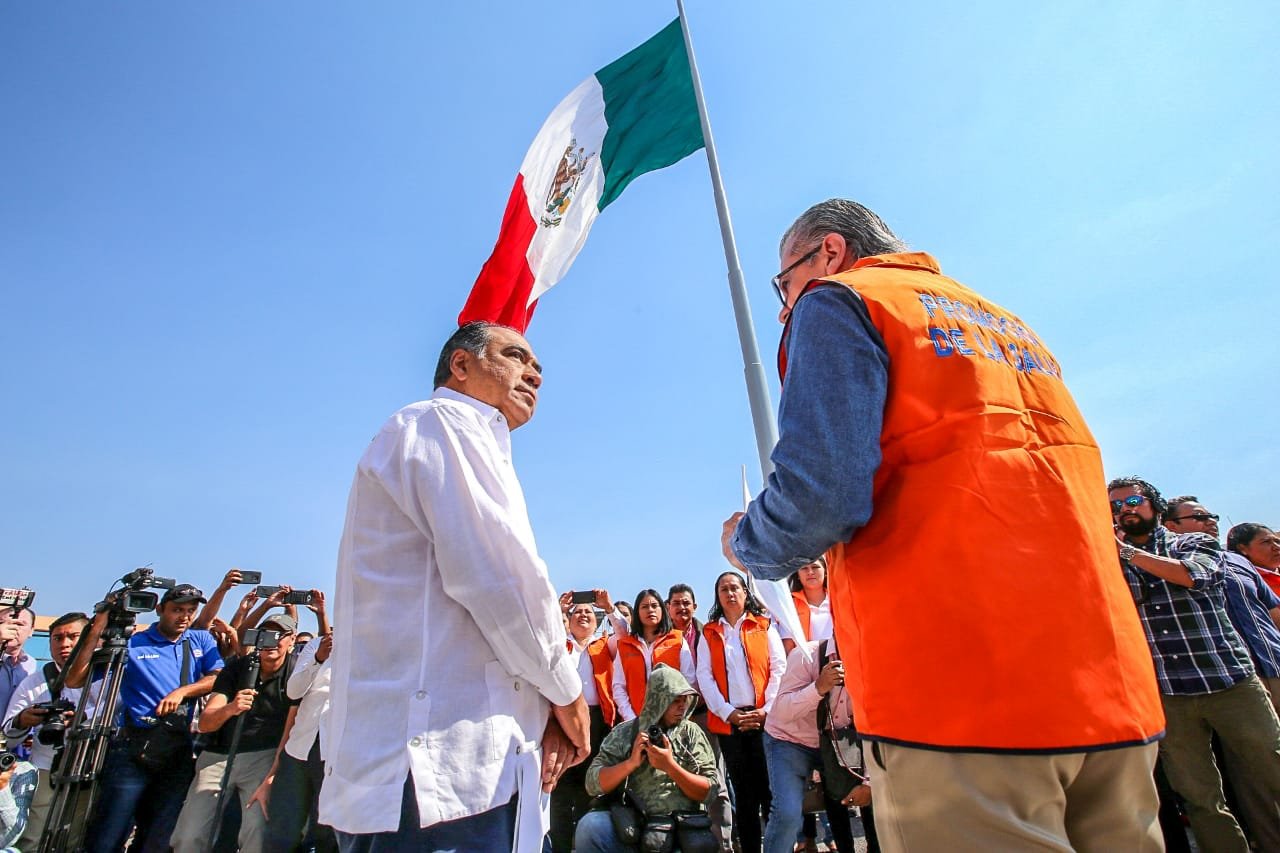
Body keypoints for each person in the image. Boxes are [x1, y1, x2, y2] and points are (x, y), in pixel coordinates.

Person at [722, 199, 1165, 851]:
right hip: (1112, 693)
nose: (784, 307)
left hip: (961, 694)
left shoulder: (840, 300)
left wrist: (745, 543)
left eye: (782, 285)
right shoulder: (1008, 324)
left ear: (830, 253)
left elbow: (818, 497)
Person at [323, 321, 589, 852]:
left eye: (537, 364)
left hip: (457, 772)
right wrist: (567, 695)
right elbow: (499, 580)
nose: (534, 372)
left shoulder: (457, 435)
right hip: (438, 771)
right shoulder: (444, 420)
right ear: (460, 366)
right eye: (514, 355)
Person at [1109, 476, 1280, 852]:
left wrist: (1127, 554)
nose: (1126, 510)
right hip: (1170, 694)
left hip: (1230, 683)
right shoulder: (1110, 557)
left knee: (1273, 768)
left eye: (1133, 500)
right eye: (1117, 506)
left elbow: (1195, 576)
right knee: (1201, 799)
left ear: (1155, 505)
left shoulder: (1190, 542)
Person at [64, 583, 223, 853]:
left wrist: (182, 691)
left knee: (159, 838)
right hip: (132, 749)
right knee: (108, 835)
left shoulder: (200, 640)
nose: (184, 616)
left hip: (177, 749)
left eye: (190, 610)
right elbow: (75, 678)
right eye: (177, 610)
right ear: (160, 610)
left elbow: (217, 677)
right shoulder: (133, 642)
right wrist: (99, 624)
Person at [170, 612, 299, 853]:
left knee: (258, 831)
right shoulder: (238, 669)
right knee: (191, 834)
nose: (270, 641)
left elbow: (292, 729)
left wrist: (274, 773)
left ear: (291, 640)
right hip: (219, 755)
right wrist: (231, 708)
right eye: (265, 634)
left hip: (265, 756)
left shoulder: (296, 672)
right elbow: (207, 722)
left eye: (278, 635)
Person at [575, 665, 719, 852]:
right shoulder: (627, 732)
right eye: (675, 701)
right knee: (591, 826)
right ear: (659, 700)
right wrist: (630, 763)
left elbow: (710, 791)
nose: (682, 707)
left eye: (685, 700)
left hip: (679, 830)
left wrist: (670, 767)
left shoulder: (691, 734)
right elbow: (592, 783)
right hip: (632, 826)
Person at [696, 571, 784, 853]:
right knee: (744, 797)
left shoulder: (764, 625)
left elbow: (779, 669)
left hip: (765, 721)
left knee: (769, 792)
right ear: (717, 596)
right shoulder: (709, 632)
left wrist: (766, 710)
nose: (730, 593)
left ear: (746, 593)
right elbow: (704, 676)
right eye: (724, 589)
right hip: (730, 723)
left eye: (735, 587)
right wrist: (728, 712)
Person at [764, 638, 875, 853]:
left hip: (837, 745)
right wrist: (818, 688)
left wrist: (869, 781)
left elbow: (876, 724)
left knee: (876, 800)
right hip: (790, 741)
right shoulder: (805, 656)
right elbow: (782, 711)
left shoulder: (872, 660)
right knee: (787, 813)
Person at [3, 612, 97, 851]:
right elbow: (8, 734)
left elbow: (118, 714)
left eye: (73, 636)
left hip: (91, 767)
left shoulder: (107, 677)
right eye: (57, 638)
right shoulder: (34, 681)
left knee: (74, 841)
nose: (64, 644)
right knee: (31, 838)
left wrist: (83, 718)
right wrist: (23, 720)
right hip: (45, 769)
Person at [549, 596, 616, 853]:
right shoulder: (560, 645)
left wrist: (608, 608)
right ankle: (562, 846)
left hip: (598, 720)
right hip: (563, 718)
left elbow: (622, 632)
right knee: (562, 787)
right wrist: (558, 610)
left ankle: (587, 844)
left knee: (591, 784)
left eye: (589, 612)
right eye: (577, 612)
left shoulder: (604, 645)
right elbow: (544, 634)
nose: (583, 615)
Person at [267, 626, 338, 852]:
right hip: (299, 748)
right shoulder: (315, 645)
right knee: (282, 827)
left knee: (324, 831)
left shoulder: (370, 648)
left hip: (336, 752)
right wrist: (318, 659)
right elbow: (293, 692)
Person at [612, 589, 696, 724]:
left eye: (654, 606)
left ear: (663, 609)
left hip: (673, 720)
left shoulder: (677, 640)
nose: (650, 610)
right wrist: (631, 719)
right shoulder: (624, 645)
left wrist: (679, 715)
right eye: (644, 607)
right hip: (635, 720)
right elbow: (618, 687)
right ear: (637, 613)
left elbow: (690, 681)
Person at [0, 609, 36, 719]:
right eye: (2, 623)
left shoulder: (30, 664)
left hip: (11, 733)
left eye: (19, 624)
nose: (12, 628)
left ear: (31, 631)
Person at [1229, 523, 1280, 597]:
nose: (1277, 547)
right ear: (1243, 548)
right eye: (1266, 542)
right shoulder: (1245, 582)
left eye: (1277, 541)